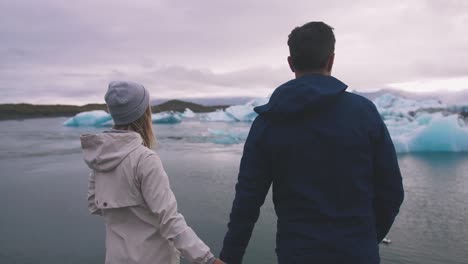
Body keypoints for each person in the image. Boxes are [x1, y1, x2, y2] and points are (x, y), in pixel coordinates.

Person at [219, 22, 404, 264]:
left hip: (297, 254)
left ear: (291, 63)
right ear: (331, 60)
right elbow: (392, 191)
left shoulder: (269, 121)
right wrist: (366, 239)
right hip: (358, 253)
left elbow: (247, 200)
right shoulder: (363, 113)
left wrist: (230, 257)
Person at [81, 81, 224, 264]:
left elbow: (94, 205)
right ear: (144, 112)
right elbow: (170, 221)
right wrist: (208, 260)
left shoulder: (100, 158)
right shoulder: (144, 159)